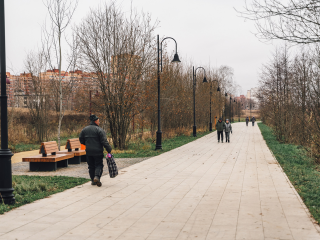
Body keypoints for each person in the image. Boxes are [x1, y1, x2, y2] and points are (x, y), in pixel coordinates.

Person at [79, 115, 112, 187]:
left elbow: (81, 139)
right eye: (98, 121)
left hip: (89, 151)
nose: (99, 122)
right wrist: (109, 149)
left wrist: (86, 144)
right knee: (99, 164)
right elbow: (104, 141)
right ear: (95, 121)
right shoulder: (99, 130)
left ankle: (92, 181)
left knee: (91, 166)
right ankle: (97, 177)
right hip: (98, 151)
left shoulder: (84, 129)